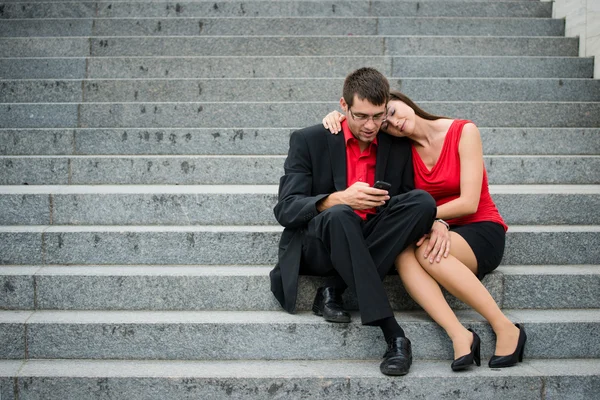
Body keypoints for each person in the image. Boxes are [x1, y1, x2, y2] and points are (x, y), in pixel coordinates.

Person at [322, 90, 527, 370]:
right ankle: (459, 334)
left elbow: (469, 202)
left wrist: (431, 218)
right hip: (431, 229)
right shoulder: (401, 151)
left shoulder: (463, 131)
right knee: (404, 254)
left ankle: (505, 327)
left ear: (406, 102)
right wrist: (335, 117)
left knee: (426, 252)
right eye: (387, 124)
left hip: (480, 227)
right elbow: (358, 126)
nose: (394, 123)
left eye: (393, 112)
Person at [270, 68, 437, 376]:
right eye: (361, 116)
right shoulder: (310, 140)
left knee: (423, 202)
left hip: (370, 240)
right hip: (321, 245)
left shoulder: (396, 144)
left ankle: (336, 288)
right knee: (340, 213)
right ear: (343, 106)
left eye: (378, 116)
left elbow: (402, 206)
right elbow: (286, 209)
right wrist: (338, 198)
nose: (371, 125)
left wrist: (439, 223)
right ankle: (393, 334)